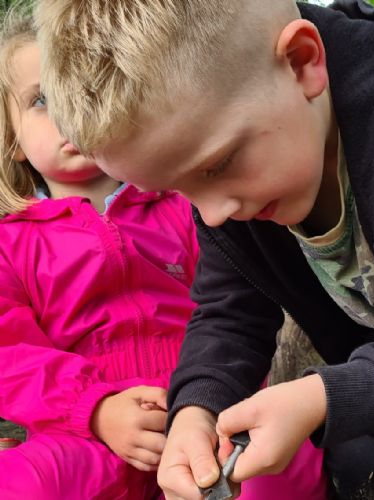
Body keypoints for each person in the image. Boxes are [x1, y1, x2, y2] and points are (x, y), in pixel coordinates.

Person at [34, 0, 374, 498]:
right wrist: (197, 408)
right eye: (176, 190)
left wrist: (324, 394)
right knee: (366, 459)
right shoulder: (231, 175)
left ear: (302, 62)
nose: (210, 215)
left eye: (216, 165)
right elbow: (229, 311)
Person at [0, 8, 327, 500]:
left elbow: (233, 303)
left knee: (276, 471)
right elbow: (9, 354)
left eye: (85, 92)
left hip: (210, 407)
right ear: (14, 140)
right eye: (43, 100)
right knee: (22, 481)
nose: (70, 114)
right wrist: (94, 408)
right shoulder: (12, 240)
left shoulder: (186, 202)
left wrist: (211, 402)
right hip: (88, 434)